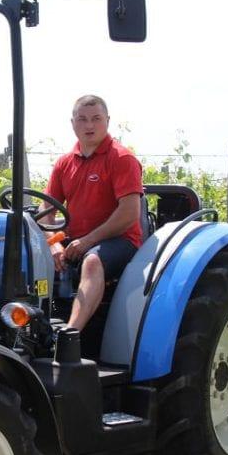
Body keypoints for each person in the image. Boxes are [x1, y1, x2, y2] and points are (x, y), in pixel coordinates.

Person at [42, 94, 143, 333]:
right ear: (73, 123)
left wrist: (87, 241)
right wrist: (53, 244)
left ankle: (69, 336)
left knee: (92, 262)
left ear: (107, 121)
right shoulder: (65, 163)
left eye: (96, 118)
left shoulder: (122, 158)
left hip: (119, 240)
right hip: (76, 240)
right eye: (82, 119)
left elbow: (129, 213)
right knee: (26, 251)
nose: (89, 125)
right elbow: (46, 209)